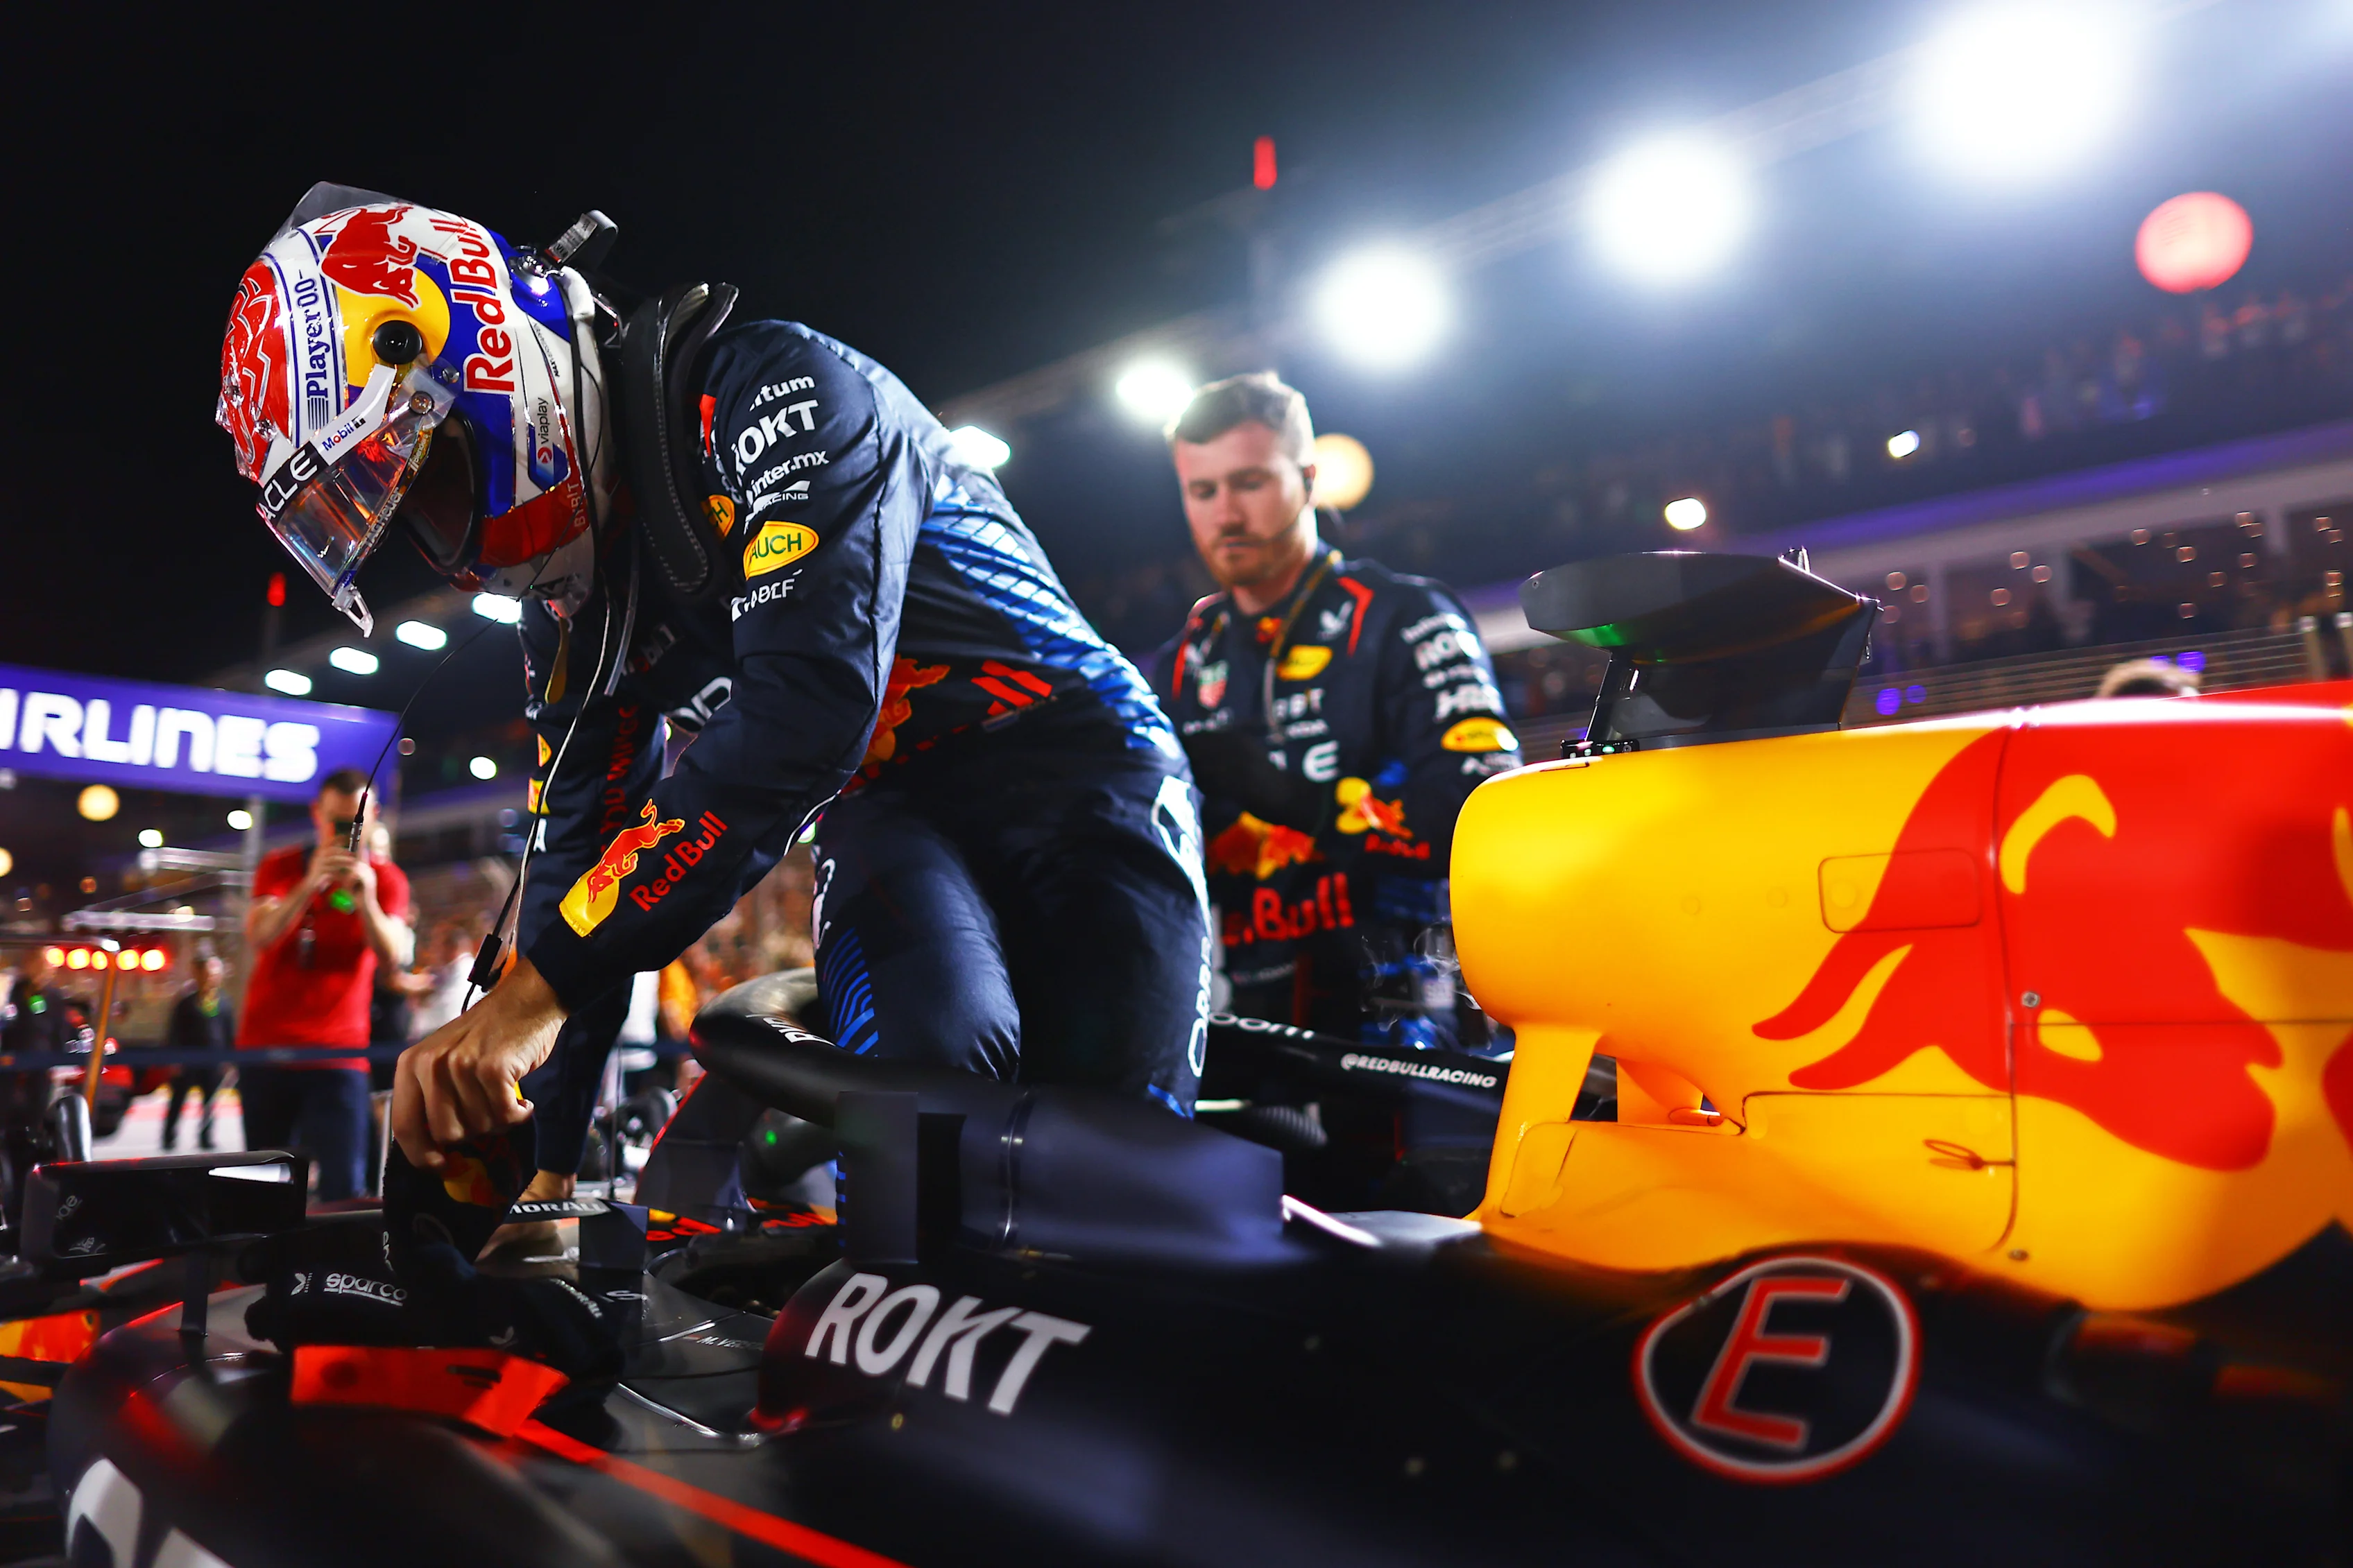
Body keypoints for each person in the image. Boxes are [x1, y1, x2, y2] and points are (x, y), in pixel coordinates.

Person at [213, 188, 1208, 1206]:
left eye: (425, 479)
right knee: (926, 1115)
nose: (440, 539)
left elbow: (803, 712)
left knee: (1118, 1176)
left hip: (1086, 771)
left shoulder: (781, 387)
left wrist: (531, 999)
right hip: (894, 811)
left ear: (485, 364)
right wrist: (543, 1172)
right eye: (402, 518)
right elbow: (577, 857)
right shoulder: (573, 608)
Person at [1151, 373, 1521, 1050]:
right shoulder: (1180, 660)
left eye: (1250, 482)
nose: (1226, 515)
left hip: (1402, 1002)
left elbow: (1483, 817)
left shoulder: (1403, 614)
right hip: (1238, 1009)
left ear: (1307, 477)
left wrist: (1289, 796)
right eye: (1202, 491)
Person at [237, 768, 413, 1200]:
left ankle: (334, 1268)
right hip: (266, 1048)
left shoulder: (387, 879)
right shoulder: (281, 866)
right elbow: (260, 935)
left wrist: (365, 898)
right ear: (317, 815)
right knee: (265, 1186)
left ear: (374, 817)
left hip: (339, 1054)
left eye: (356, 821)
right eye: (337, 821)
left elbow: (392, 955)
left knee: (344, 1186)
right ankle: (266, 1265)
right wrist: (310, 882)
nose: (346, 832)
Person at [162, 954, 234, 1151]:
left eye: (215, 973)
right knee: (179, 1098)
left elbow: (229, 1031)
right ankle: (169, 1136)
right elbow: (174, 1031)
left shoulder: (224, 1002)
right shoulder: (186, 1001)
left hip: (213, 1060)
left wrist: (230, 1059)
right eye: (208, 972)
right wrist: (174, 1059)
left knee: (210, 1101)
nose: (211, 977)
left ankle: (206, 1136)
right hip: (188, 1059)